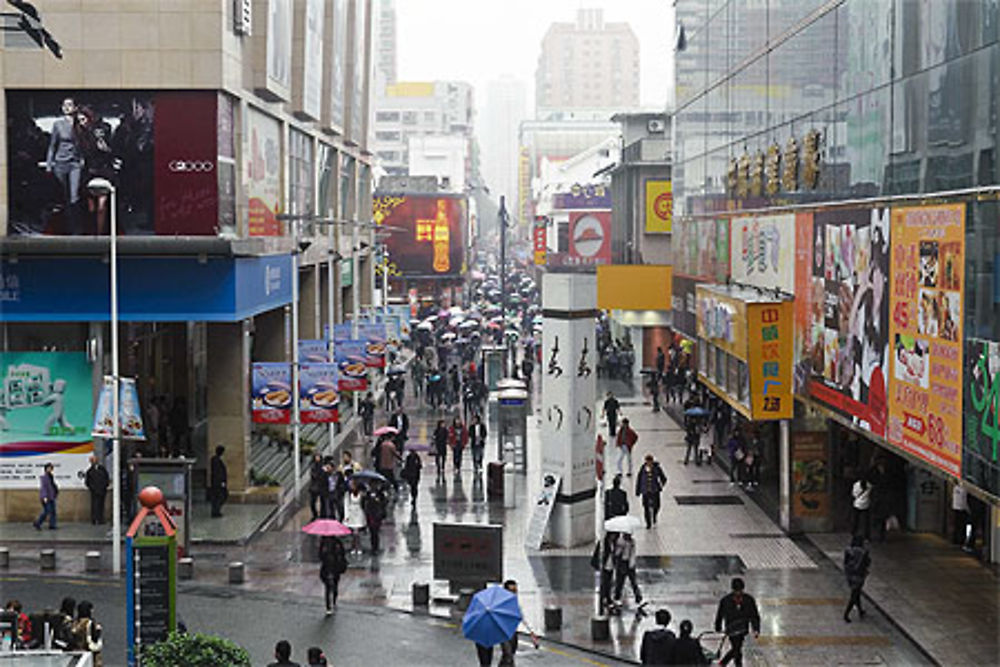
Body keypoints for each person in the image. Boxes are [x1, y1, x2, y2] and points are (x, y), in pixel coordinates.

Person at [714, 578, 760, 667]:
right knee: (737, 648)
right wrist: (718, 627)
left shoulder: (749, 600)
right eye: (736, 591)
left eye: (740, 591)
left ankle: (723, 663)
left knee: (737, 648)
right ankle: (735, 664)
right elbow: (720, 615)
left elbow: (754, 615)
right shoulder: (725, 601)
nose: (738, 593)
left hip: (742, 629)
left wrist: (756, 628)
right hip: (731, 629)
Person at [498, 579, 539, 666]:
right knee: (508, 655)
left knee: (509, 656)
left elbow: (523, 618)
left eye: (515, 591)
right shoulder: (499, 604)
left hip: (513, 633)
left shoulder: (516, 603)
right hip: (503, 633)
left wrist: (532, 632)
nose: (514, 593)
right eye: (511, 591)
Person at [843, 534, 870, 623]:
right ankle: (846, 614)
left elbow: (845, 563)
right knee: (854, 595)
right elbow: (867, 562)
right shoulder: (863, 552)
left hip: (850, 575)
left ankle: (860, 610)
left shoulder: (848, 550)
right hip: (859, 576)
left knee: (857, 593)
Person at [635, 454, 667, 529]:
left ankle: (654, 517)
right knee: (645, 507)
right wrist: (638, 490)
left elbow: (663, 478)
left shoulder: (657, 468)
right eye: (647, 461)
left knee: (657, 505)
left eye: (650, 462)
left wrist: (660, 485)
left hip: (654, 490)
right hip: (645, 491)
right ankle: (648, 523)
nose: (649, 463)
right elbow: (639, 479)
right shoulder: (642, 469)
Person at [319, 535, 348, 615]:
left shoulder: (324, 543)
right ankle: (332, 603)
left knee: (329, 587)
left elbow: (320, 556)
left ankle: (329, 606)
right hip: (333, 567)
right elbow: (343, 554)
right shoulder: (337, 543)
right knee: (333, 585)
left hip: (329, 568)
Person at [592, 531, 618, 614]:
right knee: (604, 583)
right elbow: (597, 554)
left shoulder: (613, 543)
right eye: (613, 535)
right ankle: (603, 599)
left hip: (610, 566)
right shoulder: (603, 543)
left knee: (608, 583)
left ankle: (607, 598)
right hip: (604, 567)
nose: (614, 537)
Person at [613, 532, 641, 607]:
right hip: (622, 562)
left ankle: (638, 597)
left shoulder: (632, 542)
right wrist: (621, 547)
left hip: (630, 563)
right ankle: (617, 597)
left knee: (633, 581)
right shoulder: (620, 541)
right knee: (620, 581)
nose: (629, 536)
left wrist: (632, 564)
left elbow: (633, 553)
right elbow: (616, 553)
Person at [71, 600, 103, 667]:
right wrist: (98, 631)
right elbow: (94, 639)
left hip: (77, 653)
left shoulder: (74, 623)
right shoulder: (90, 623)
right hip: (90, 654)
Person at [84, 455, 109, 525]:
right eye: (92, 460)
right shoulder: (89, 471)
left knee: (101, 505)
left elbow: (106, 478)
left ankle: (101, 519)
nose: (94, 462)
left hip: (102, 490)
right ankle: (94, 519)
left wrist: (104, 486)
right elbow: (87, 482)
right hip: (94, 491)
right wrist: (92, 488)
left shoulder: (102, 469)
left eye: (95, 460)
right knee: (94, 505)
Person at [32, 462, 59, 530]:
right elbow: (43, 488)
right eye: (49, 468)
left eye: (51, 468)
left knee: (53, 511)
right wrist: (44, 497)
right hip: (46, 497)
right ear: (46, 469)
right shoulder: (44, 477)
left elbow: (52, 486)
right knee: (47, 511)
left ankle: (52, 525)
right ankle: (38, 522)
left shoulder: (51, 476)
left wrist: (56, 491)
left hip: (52, 496)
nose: (50, 469)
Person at [362, 486, 388, 554]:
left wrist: (379, 501)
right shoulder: (367, 494)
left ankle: (376, 547)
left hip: (377, 514)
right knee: (372, 531)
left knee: (375, 531)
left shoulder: (380, 494)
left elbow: (385, 503)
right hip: (370, 514)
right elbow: (363, 502)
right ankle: (373, 547)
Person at [851, 473, 872, 540]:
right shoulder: (869, 485)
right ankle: (866, 535)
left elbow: (854, 494)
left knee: (855, 519)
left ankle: (854, 532)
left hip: (857, 503)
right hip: (866, 504)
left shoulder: (856, 485)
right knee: (866, 521)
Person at [210, 446, 228, 518]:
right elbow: (218, 473)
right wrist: (222, 482)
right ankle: (216, 511)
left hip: (216, 482)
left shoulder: (215, 459)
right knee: (220, 496)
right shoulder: (216, 460)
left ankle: (216, 510)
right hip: (218, 483)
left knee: (218, 497)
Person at [308, 454, 327, 521]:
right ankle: (315, 514)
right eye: (316, 456)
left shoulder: (323, 466)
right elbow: (313, 475)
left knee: (323, 501)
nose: (317, 458)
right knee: (312, 502)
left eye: (318, 456)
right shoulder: (313, 466)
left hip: (322, 486)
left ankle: (322, 514)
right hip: (314, 486)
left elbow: (324, 475)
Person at [952, 482, 970, 546]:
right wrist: (968, 509)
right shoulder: (964, 489)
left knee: (957, 525)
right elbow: (964, 500)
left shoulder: (955, 488)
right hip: (962, 509)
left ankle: (956, 540)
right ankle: (961, 540)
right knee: (962, 526)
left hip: (956, 507)